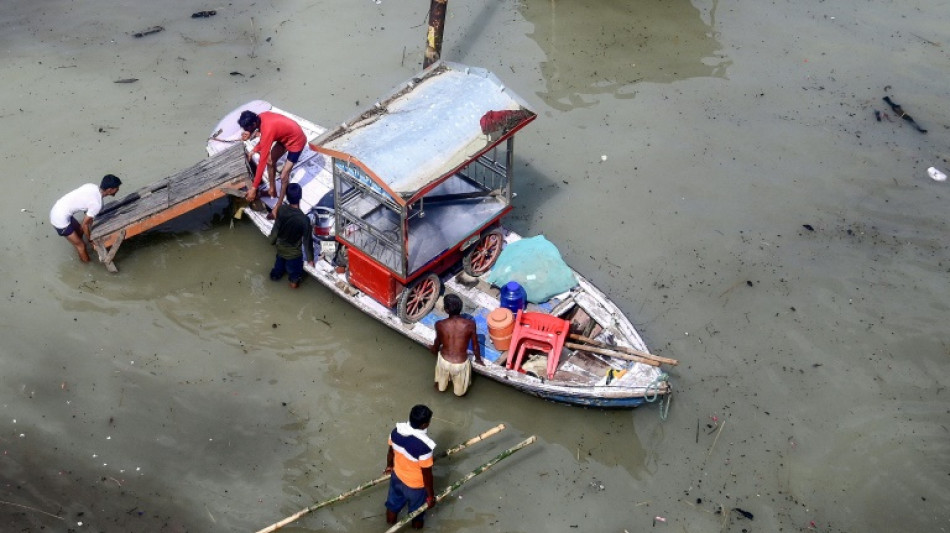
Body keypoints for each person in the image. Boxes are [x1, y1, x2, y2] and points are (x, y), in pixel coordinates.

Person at [237, 109, 307, 217]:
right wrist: (254, 150)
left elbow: (262, 161)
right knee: (270, 161)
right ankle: (272, 190)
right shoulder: (259, 117)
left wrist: (254, 188)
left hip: (296, 141)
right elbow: (265, 138)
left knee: (284, 176)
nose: (247, 131)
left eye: (248, 128)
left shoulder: (267, 128)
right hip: (284, 138)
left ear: (254, 123)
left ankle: (277, 206)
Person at [49, 174, 122, 263]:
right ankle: (87, 265)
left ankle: (78, 247)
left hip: (58, 208)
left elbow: (85, 206)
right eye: (117, 188)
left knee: (79, 233)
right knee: (82, 246)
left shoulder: (91, 186)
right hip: (59, 220)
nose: (118, 189)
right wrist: (90, 241)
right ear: (110, 190)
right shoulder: (97, 204)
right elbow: (85, 225)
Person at [385, 405, 436, 529]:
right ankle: (416, 529)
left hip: (397, 477)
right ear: (424, 425)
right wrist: (430, 496)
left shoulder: (396, 432)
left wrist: (389, 466)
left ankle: (388, 525)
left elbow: (391, 452)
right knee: (417, 514)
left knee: (392, 505)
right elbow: (427, 474)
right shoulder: (425, 447)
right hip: (415, 487)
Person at [430, 293, 483, 396]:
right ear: (460, 308)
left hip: (444, 362)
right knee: (460, 394)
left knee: (440, 388)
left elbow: (437, 343)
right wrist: (478, 359)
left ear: (446, 309)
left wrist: (433, 350)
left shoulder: (440, 324)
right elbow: (475, 345)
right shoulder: (470, 324)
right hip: (460, 365)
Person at [267, 183, 315, 288]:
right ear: (300, 196)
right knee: (294, 278)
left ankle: (274, 279)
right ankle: (293, 286)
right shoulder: (304, 220)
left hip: (280, 249)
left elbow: (276, 229)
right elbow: (307, 242)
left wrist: (271, 240)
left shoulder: (281, 210)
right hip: (294, 255)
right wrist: (310, 260)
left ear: (287, 197)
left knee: (276, 271)